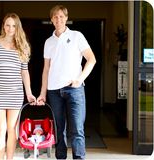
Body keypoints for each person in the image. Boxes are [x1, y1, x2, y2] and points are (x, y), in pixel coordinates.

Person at [37, 5, 96, 160]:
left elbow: (91, 59)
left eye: (62, 16)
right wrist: (43, 93)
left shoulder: (77, 36)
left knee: (77, 129)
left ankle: (79, 157)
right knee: (59, 128)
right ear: (51, 20)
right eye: (55, 17)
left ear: (66, 18)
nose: (59, 19)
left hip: (74, 90)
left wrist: (80, 79)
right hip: (54, 91)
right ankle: (61, 157)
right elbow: (46, 69)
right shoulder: (48, 42)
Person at [0, 13, 36, 160]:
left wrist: (29, 93)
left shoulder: (23, 46)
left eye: (13, 25)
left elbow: (24, 72)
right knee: (1, 128)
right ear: (3, 26)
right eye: (7, 25)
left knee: (12, 129)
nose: (10, 28)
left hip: (15, 93)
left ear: (17, 27)